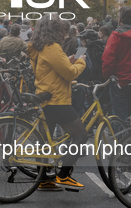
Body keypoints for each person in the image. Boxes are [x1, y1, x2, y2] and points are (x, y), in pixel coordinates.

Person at [28, 14, 87, 191]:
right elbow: (69, 74)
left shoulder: (36, 46)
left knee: (44, 141)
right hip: (57, 98)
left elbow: (44, 69)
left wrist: (65, 61)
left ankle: (44, 180)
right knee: (81, 135)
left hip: (44, 94)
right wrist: (81, 63)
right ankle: (64, 175)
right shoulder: (52, 47)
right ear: (55, 30)